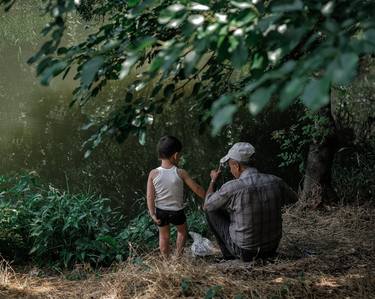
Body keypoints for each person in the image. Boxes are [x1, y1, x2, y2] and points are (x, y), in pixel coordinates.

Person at [204, 142, 298, 262]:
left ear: (236, 165)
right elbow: (294, 199)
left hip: (246, 252)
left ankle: (229, 256)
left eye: (230, 166)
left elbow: (207, 205)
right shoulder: (275, 181)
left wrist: (213, 181)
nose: (231, 170)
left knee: (211, 211)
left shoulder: (232, 187)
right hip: (272, 247)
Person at [147, 135, 206, 258]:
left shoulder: (153, 173)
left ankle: (166, 261)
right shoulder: (180, 173)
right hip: (177, 212)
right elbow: (196, 188)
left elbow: (149, 196)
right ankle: (178, 258)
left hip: (161, 211)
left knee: (163, 236)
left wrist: (152, 214)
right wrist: (208, 196)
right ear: (175, 155)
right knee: (182, 232)